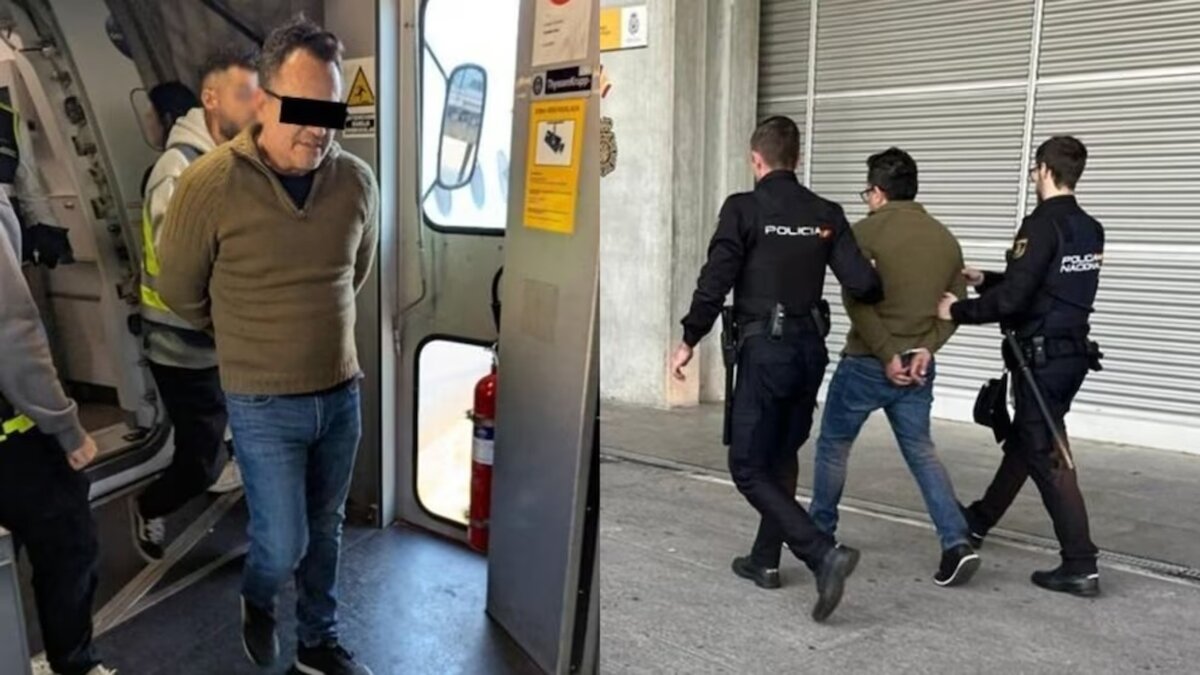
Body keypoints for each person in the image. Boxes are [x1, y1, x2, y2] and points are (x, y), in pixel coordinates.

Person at [157, 16, 377, 675]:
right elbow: (178, 291)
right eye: (303, 110)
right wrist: (247, 334)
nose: (319, 130)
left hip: (340, 394)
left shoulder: (357, 182)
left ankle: (317, 641)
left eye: (330, 112)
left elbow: (354, 271)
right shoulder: (208, 185)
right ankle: (257, 596)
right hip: (261, 402)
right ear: (263, 101)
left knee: (326, 527)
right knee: (282, 543)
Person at [670, 116, 882, 622]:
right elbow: (864, 285)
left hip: (766, 351)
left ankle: (822, 554)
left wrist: (689, 338)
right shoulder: (826, 213)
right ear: (797, 158)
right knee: (782, 454)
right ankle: (764, 559)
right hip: (810, 351)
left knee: (746, 466)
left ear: (756, 159)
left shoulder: (743, 209)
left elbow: (716, 279)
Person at [938, 135, 1104, 596]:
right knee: (1026, 442)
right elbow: (1046, 286)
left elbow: (1015, 300)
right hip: (1071, 357)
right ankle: (979, 520)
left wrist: (956, 310)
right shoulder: (1089, 229)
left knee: (1048, 456)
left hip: (1041, 360)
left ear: (1046, 170)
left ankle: (1080, 563)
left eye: (1035, 170)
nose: (1033, 177)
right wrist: (986, 278)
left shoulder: (1041, 224)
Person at [808, 148, 980, 587]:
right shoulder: (945, 239)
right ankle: (956, 542)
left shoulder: (863, 233)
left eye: (867, 192)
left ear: (878, 192)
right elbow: (954, 307)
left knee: (833, 446)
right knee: (921, 451)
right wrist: (927, 349)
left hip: (867, 364)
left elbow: (857, 303)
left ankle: (819, 536)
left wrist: (886, 354)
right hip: (918, 366)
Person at [130, 47, 260, 562]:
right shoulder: (177, 172)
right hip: (182, 347)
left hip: (226, 341)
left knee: (249, 437)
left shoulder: (232, 162)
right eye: (242, 94)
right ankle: (150, 504)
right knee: (199, 462)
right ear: (210, 98)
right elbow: (180, 273)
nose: (254, 106)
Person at [0, 192, 113, 675]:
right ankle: (73, 664)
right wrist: (67, 429)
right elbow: (11, 333)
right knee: (68, 545)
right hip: (14, 438)